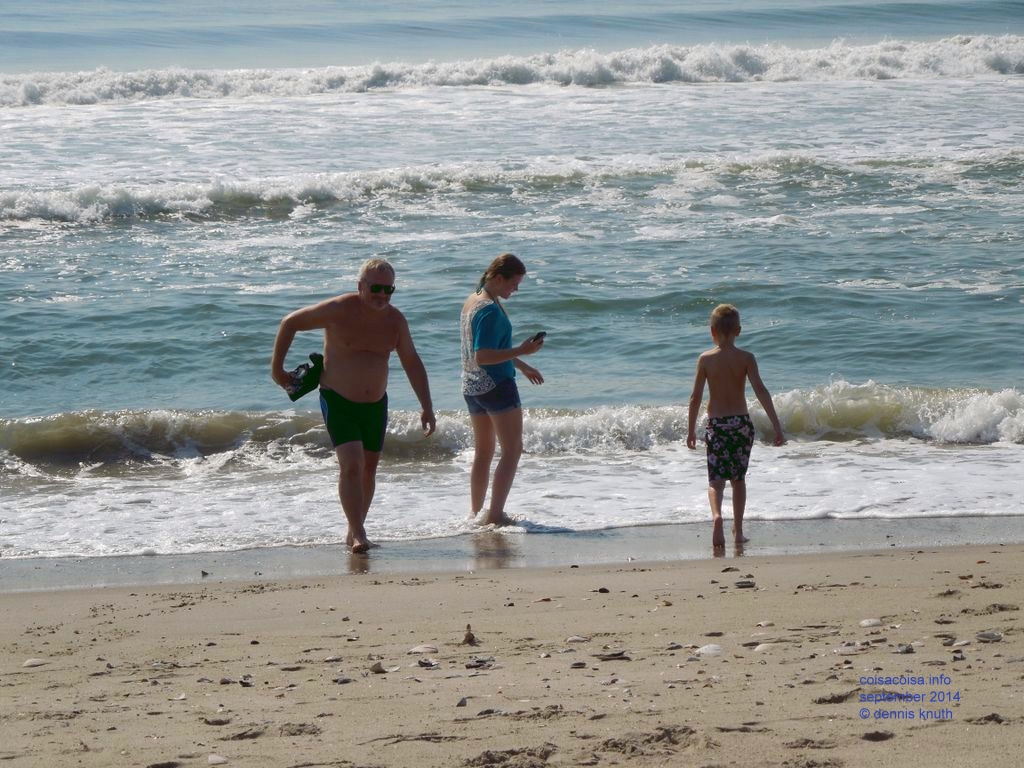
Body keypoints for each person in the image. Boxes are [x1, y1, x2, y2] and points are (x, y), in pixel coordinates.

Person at [271, 259, 436, 553]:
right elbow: (290, 323)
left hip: (375, 405)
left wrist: (427, 406)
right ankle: (359, 533)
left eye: (389, 289)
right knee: (352, 465)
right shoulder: (338, 310)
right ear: (360, 286)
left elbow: (411, 361)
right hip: (338, 400)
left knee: (369, 469)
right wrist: (277, 372)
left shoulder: (396, 321)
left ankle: (354, 529)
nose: (382, 295)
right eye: (376, 288)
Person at [686, 304, 784, 550]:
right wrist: (777, 426)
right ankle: (738, 532)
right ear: (738, 331)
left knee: (716, 481)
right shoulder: (746, 358)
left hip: (716, 425)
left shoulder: (705, 359)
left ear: (712, 331)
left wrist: (690, 430)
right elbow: (761, 390)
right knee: (738, 480)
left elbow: (695, 398)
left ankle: (717, 516)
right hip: (741, 425)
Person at [460, 253, 544, 526]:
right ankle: (495, 515)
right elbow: (483, 355)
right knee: (512, 450)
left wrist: (522, 365)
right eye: (513, 283)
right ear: (498, 278)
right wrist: (522, 350)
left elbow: (487, 350)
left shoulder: (473, 300)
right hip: (496, 386)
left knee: (483, 452)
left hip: (473, 386)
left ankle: (475, 513)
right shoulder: (489, 310)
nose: (515, 290)